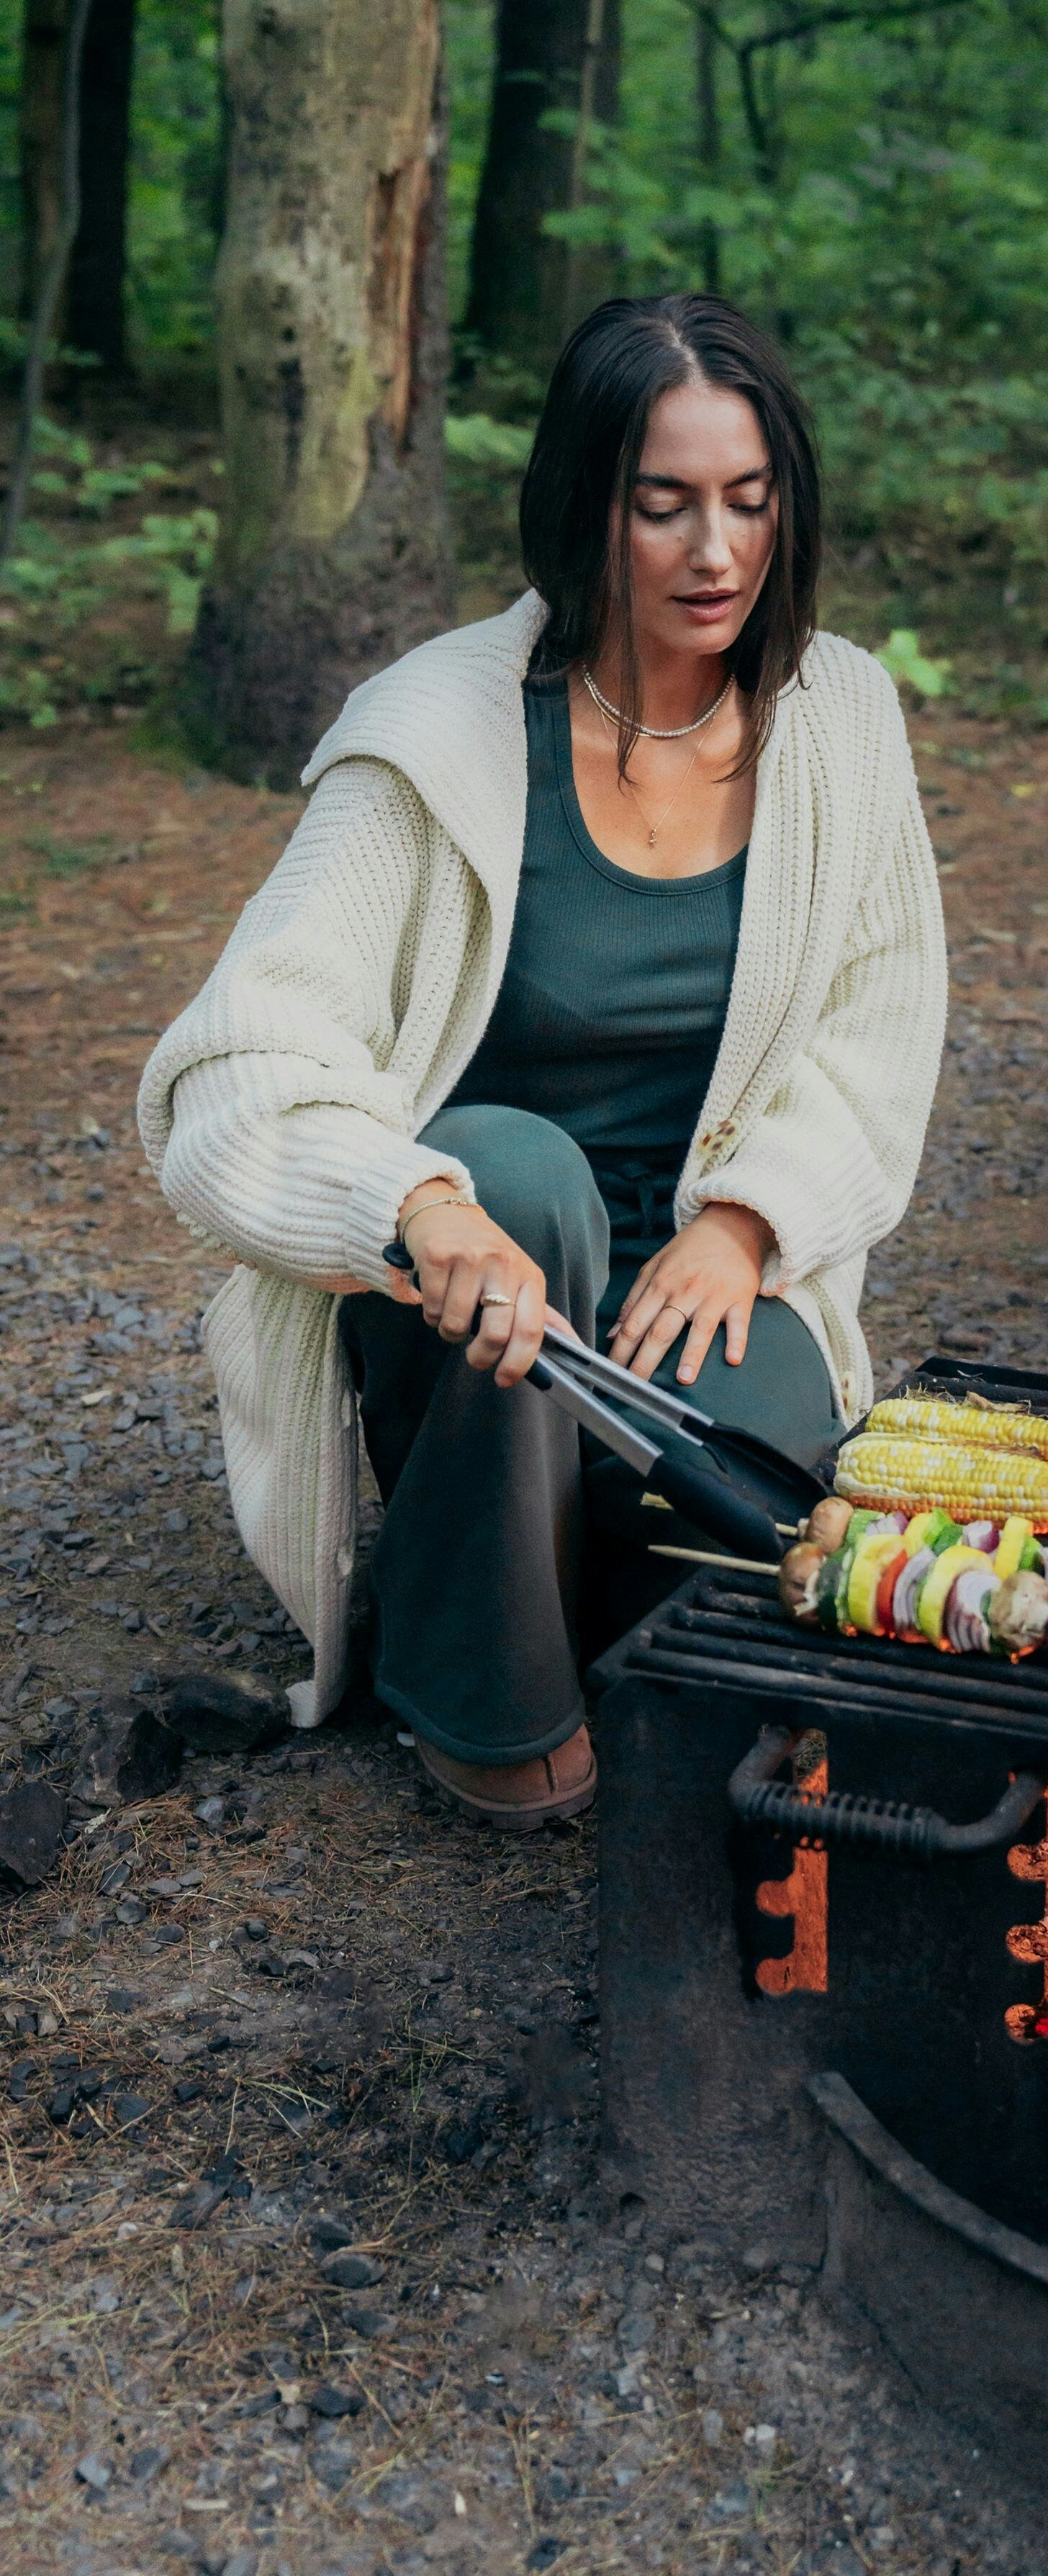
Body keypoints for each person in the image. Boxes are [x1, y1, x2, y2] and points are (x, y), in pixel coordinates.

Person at [140, 293, 947, 1829]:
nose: (714, 552)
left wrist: (747, 1222)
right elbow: (232, 1064)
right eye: (665, 506)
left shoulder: (837, 715)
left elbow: (879, 1023)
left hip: (696, 1264)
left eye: (747, 501)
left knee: (760, 1561)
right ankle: (478, 1689)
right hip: (480, 1272)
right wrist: (420, 1204)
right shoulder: (437, 733)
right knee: (525, 1170)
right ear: (586, 503)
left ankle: (551, 1554)